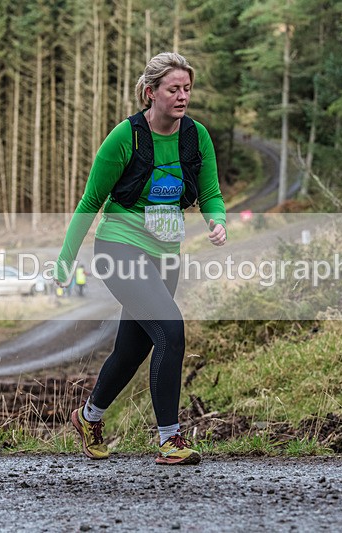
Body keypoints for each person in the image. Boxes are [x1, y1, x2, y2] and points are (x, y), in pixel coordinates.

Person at [55, 52, 227, 465]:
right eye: (174, 89)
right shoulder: (125, 138)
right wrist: (64, 260)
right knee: (171, 330)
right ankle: (170, 439)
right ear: (151, 93)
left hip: (166, 256)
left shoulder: (196, 137)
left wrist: (217, 221)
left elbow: (211, 193)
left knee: (133, 350)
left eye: (187, 88)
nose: (183, 96)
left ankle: (89, 416)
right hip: (120, 248)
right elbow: (90, 202)